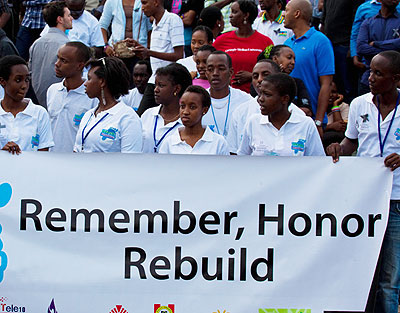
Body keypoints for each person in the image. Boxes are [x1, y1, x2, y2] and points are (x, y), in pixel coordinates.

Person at [326, 51, 400, 313]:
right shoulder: (359, 104)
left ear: (396, 78)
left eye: (378, 73)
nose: (370, 78)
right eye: (370, 71)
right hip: (364, 197)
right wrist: (338, 149)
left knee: (390, 278)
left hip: (395, 200)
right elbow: (351, 142)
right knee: (362, 269)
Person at [227, 59, 306, 154]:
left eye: (266, 75)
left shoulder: (300, 117)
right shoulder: (241, 112)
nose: (260, 79)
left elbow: (315, 160)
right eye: (255, 76)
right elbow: (236, 153)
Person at [238, 73, 324, 156]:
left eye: (267, 95)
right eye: (260, 94)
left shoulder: (306, 124)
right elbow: (242, 160)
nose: (260, 99)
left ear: (284, 99)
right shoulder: (253, 122)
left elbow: (317, 161)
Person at [283, 0, 334, 136]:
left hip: (311, 120)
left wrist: (318, 121)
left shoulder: (320, 41)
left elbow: (326, 84)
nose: (283, 14)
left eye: (287, 10)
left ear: (297, 13)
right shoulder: (287, 43)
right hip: (288, 119)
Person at [73, 57, 143, 152]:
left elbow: (131, 160)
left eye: (89, 79)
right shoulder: (88, 115)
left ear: (102, 82)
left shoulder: (128, 118)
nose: (85, 84)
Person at [131, 0, 184, 116]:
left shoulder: (172, 20)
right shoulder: (154, 23)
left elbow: (178, 55)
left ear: (155, 2)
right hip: (155, 79)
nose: (142, 8)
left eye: (144, 3)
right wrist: (140, 48)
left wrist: (148, 52)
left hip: (170, 80)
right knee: (144, 117)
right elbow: (157, 53)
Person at [47, 42, 98, 152]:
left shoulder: (92, 97)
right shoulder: (52, 90)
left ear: (80, 65)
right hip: (51, 160)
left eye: (64, 61)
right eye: (58, 58)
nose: (57, 64)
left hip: (77, 162)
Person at [213, 0, 273, 93]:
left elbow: (272, 71)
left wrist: (252, 76)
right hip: (229, 95)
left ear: (246, 15)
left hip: (258, 95)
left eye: (235, 12)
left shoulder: (266, 42)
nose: (230, 15)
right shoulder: (221, 40)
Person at [0, 55, 54, 154]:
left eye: (27, 80)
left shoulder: (39, 113)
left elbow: (44, 154)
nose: (24, 86)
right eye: (18, 80)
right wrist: (3, 155)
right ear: (3, 81)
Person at [159, 85, 229, 155]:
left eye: (192, 107)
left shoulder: (218, 143)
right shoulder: (169, 142)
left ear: (204, 110)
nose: (185, 112)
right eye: (182, 106)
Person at [29, 1, 73, 109]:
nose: (71, 18)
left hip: (36, 101)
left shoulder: (36, 43)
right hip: (56, 101)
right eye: (68, 15)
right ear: (60, 19)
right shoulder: (65, 46)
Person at [141, 63, 192, 153]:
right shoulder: (148, 115)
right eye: (155, 85)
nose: (155, 89)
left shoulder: (187, 120)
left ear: (176, 89)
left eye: (161, 85)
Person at [203, 50, 253, 138]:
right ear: (206, 73)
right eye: (210, 69)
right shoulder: (199, 99)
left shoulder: (246, 101)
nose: (215, 73)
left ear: (230, 72)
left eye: (221, 69)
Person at [356, 0, 400, 95]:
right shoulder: (368, 22)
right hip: (368, 80)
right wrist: (392, 49)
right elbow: (361, 48)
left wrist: (376, 43)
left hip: (394, 82)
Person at [99, 0, 152, 69]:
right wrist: (106, 46)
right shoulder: (112, 1)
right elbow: (102, 26)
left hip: (139, 51)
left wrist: (148, 48)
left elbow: (150, 28)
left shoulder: (144, 1)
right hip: (116, 52)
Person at [266, 44, 312, 116]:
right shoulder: (262, 83)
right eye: (289, 58)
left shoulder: (297, 83)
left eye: (294, 59)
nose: (293, 62)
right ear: (275, 59)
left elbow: (307, 110)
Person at [322, 81, 348, 149]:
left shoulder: (344, 107)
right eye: (328, 91)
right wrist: (330, 126)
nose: (330, 95)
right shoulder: (316, 107)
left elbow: (340, 129)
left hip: (337, 145)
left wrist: (335, 105)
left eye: (333, 92)